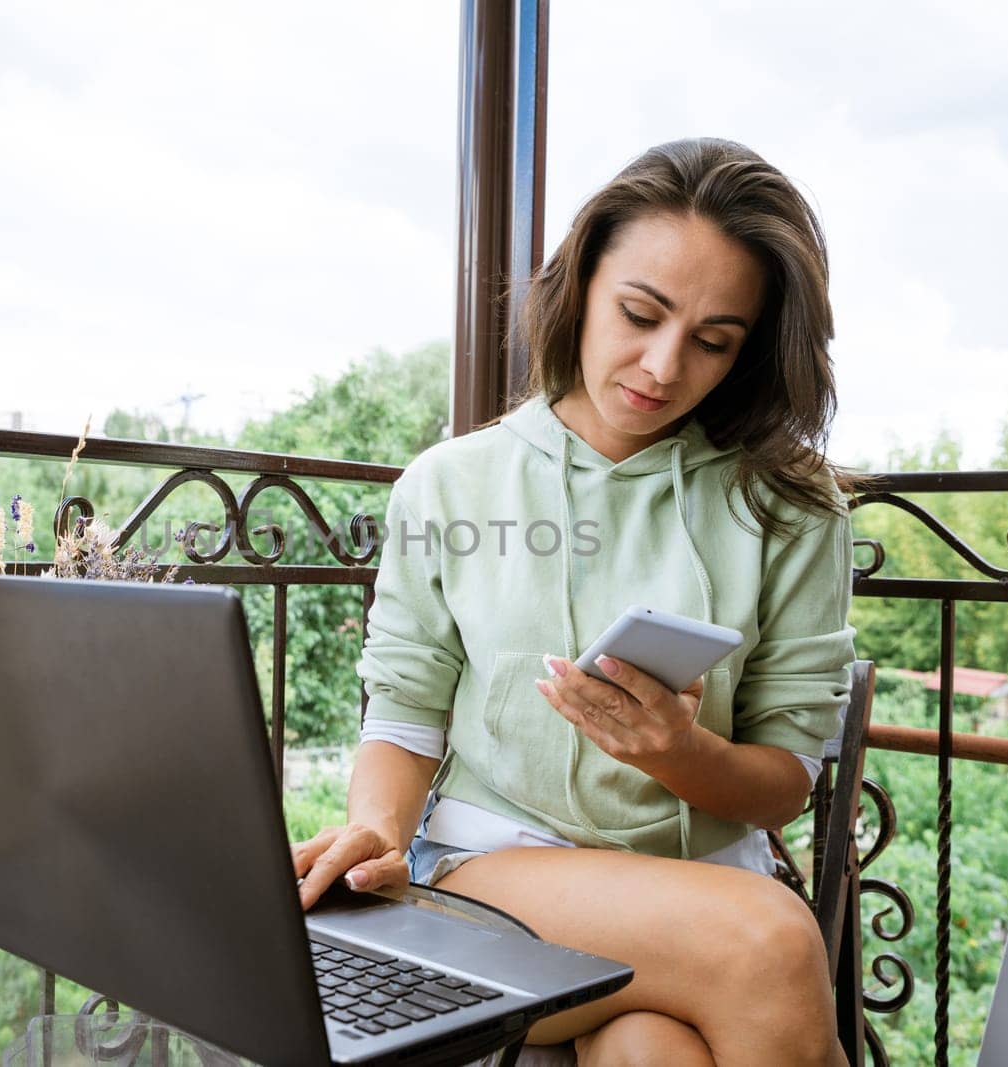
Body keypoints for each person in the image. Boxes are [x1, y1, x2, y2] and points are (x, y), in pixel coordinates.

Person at [292, 137, 857, 1066]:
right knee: (773, 939)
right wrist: (377, 833)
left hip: (698, 887)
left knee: (650, 1050)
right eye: (640, 313)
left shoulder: (788, 505)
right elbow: (402, 714)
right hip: (494, 879)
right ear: (582, 281)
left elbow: (785, 780)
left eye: (713, 341)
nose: (663, 366)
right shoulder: (450, 485)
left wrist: (680, 753)